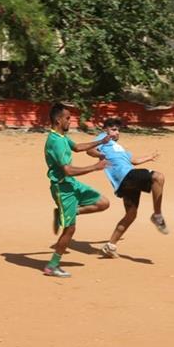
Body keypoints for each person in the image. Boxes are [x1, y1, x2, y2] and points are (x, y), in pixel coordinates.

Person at [43, 103, 113, 278]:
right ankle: (52, 266)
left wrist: (100, 141)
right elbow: (67, 170)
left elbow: (77, 147)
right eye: (68, 118)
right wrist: (95, 167)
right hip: (62, 189)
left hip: (72, 184)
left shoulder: (61, 136)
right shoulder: (55, 142)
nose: (70, 121)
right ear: (58, 120)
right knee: (70, 229)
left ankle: (64, 213)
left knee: (103, 202)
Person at [89, 117, 168, 259]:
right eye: (113, 129)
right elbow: (90, 150)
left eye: (118, 130)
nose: (116, 132)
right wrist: (100, 154)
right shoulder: (103, 139)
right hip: (126, 175)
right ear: (105, 130)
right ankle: (157, 215)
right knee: (158, 177)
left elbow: (133, 161)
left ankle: (110, 245)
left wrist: (149, 157)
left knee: (131, 215)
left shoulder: (121, 149)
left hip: (125, 182)